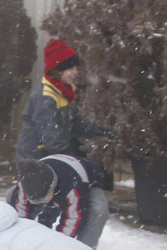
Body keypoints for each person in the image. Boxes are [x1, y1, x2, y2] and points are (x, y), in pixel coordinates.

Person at [17, 39, 115, 189]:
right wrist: (73, 160)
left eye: (76, 68)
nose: (76, 72)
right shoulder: (45, 98)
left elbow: (75, 123)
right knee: (55, 197)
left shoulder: (62, 93)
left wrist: (101, 131)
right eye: (71, 68)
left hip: (49, 155)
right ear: (58, 70)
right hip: (36, 160)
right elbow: (51, 137)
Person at [9, 155, 109, 249]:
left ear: (53, 187)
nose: (43, 202)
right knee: (11, 194)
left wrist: (57, 247)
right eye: (39, 200)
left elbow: (73, 220)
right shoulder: (25, 184)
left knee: (98, 211)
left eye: (46, 197)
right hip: (55, 180)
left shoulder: (73, 188)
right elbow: (19, 216)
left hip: (87, 179)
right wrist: (20, 239)